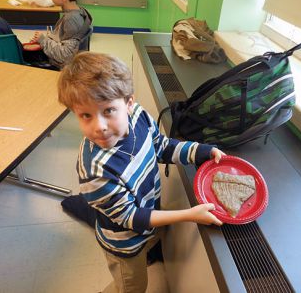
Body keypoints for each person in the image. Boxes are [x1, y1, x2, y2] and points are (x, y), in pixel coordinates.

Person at [58, 52, 225, 293]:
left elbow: (162, 147)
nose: (100, 127)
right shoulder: (95, 172)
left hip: (148, 217)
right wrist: (189, 214)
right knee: (132, 287)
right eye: (86, 115)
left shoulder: (139, 117)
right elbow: (132, 218)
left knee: (153, 238)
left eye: (108, 111)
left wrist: (202, 151)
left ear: (128, 103)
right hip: (125, 244)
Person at [25, 0, 92, 69]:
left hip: (63, 67)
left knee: (19, 54)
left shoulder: (71, 19)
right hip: (61, 60)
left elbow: (66, 56)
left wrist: (43, 41)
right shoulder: (79, 11)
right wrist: (41, 44)